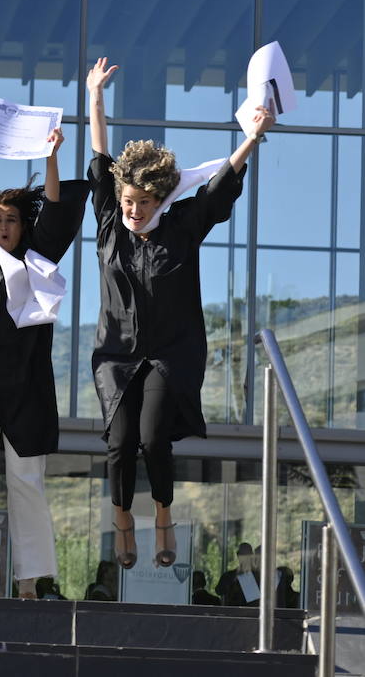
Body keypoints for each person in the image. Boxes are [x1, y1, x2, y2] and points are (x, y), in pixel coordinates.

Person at [88, 58, 275, 570]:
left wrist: (253, 138)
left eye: (146, 201)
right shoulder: (108, 224)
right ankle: (123, 519)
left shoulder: (181, 229)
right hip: (115, 355)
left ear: (161, 200)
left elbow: (218, 190)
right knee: (120, 443)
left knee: (152, 437)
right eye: (129, 199)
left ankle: (163, 515)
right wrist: (95, 95)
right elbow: (100, 152)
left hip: (170, 353)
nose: (134, 209)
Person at [0, 120, 88, 599]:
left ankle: (28, 581)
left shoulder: (39, 256)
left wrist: (50, 154)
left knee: (26, 479)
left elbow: (55, 207)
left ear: (23, 225)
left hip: (25, 383)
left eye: (11, 220)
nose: (3, 227)